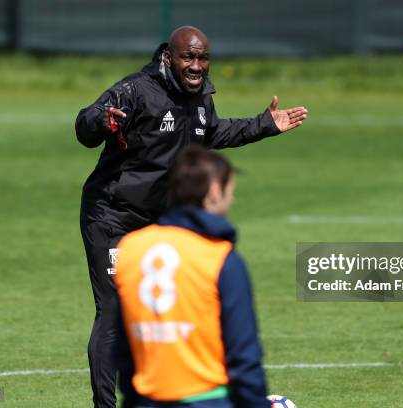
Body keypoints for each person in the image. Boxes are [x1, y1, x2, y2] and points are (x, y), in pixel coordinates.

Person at [75, 25, 307, 408]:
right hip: (112, 215)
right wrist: (101, 121)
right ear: (169, 57)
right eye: (189, 57)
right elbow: (85, 124)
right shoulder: (136, 90)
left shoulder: (200, 98)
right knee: (116, 311)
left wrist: (265, 124)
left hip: (160, 221)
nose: (197, 66)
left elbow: (211, 133)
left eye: (203, 58)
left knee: (162, 309)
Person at [113, 145, 270, 408]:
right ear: (214, 191)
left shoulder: (130, 248)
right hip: (207, 400)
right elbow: (244, 355)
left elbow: (124, 347)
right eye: (230, 191)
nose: (232, 200)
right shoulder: (220, 257)